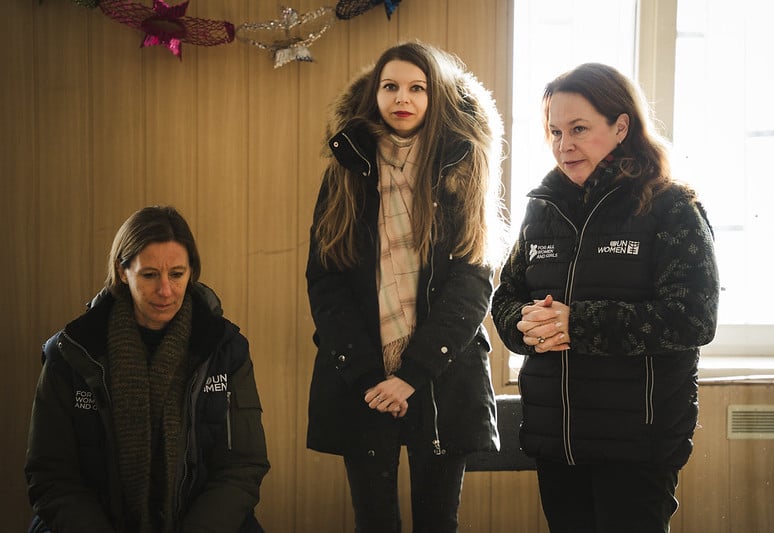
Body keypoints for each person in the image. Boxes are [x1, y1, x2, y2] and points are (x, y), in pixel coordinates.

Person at [491, 63, 720, 533]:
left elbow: (693, 319)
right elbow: (508, 294)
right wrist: (525, 323)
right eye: (554, 131)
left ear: (621, 126)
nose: (563, 144)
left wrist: (579, 324)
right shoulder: (542, 208)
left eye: (579, 129)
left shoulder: (672, 207)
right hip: (558, 439)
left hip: (638, 444)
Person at [305, 42, 508, 533]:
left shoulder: (465, 166)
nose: (403, 98)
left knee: (439, 522)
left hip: (442, 374)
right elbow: (325, 279)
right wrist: (373, 378)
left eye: (418, 88)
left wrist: (411, 374)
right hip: (363, 377)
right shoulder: (346, 169)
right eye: (390, 86)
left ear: (434, 96)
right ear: (374, 95)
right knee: (373, 522)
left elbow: (473, 280)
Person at [25, 206, 270, 533]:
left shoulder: (225, 349)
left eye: (177, 274)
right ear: (123, 271)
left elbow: (242, 467)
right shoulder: (71, 353)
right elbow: (51, 475)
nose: (166, 291)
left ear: (191, 272)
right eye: (150, 274)